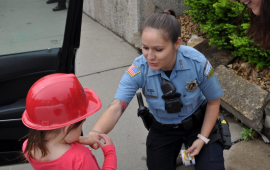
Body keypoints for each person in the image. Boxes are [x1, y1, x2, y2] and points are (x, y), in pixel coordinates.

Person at [79, 9, 225, 170]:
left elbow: (213, 102)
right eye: (145, 48)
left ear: (177, 43)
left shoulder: (196, 62)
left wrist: (203, 138)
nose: (150, 56)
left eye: (158, 49)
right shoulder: (139, 69)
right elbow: (116, 107)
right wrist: (95, 133)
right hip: (163, 128)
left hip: (199, 123)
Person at [22, 73, 117, 170]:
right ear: (67, 127)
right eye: (81, 124)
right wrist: (110, 154)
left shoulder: (28, 146)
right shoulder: (80, 158)